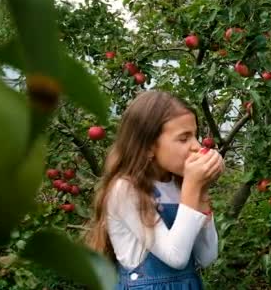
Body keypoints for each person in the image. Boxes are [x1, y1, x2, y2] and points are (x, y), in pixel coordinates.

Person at [86, 90, 224, 290]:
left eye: (195, 136)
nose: (196, 146)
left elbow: (207, 257)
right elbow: (175, 257)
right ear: (149, 146)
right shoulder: (125, 190)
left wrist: (201, 193)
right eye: (184, 139)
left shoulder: (180, 186)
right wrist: (193, 187)